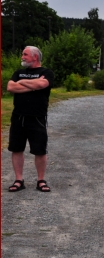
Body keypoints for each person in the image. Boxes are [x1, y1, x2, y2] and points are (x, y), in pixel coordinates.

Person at [7, 46, 54, 192]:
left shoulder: (46, 72)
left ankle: (41, 181)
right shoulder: (19, 72)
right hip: (18, 117)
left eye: (25, 54)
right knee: (16, 149)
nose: (22, 56)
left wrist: (20, 83)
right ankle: (18, 180)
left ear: (35, 57)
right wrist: (33, 86)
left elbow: (43, 84)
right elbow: (10, 87)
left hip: (37, 118)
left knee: (40, 150)